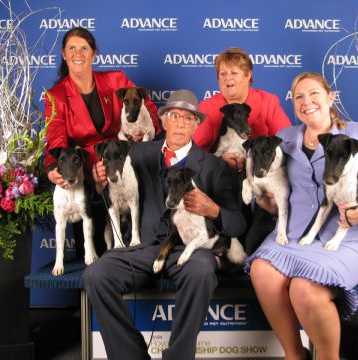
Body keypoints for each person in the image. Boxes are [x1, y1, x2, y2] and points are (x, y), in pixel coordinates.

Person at [246, 72, 358, 360]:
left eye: (314, 94)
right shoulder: (285, 139)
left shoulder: (356, 134)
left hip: (345, 241)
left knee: (304, 289)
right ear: (293, 104)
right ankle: (294, 355)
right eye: (298, 97)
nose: (306, 102)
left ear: (330, 97)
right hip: (294, 236)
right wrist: (263, 197)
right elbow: (274, 184)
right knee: (261, 271)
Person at [83, 89, 247, 360]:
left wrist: (214, 210)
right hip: (143, 247)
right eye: (174, 116)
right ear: (162, 121)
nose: (180, 123)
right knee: (96, 275)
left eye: (188, 118)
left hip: (189, 251)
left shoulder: (214, 166)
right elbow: (113, 196)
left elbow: (238, 223)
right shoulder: (136, 152)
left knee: (202, 271)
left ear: (196, 125)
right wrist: (100, 184)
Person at [44, 27, 161, 255]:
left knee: (141, 243)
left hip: (124, 162)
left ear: (94, 53)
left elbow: (149, 110)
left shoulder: (116, 80)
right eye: (72, 49)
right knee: (94, 255)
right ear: (64, 54)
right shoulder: (55, 95)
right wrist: (52, 169)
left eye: (84, 48)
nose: (78, 54)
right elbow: (55, 136)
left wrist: (142, 131)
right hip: (86, 175)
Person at [192, 47, 291, 172]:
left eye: (234, 73)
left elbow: (287, 144)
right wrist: (219, 162)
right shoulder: (206, 107)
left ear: (248, 75)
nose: (228, 78)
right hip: (219, 175)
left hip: (261, 173)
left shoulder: (268, 102)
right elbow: (196, 152)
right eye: (223, 73)